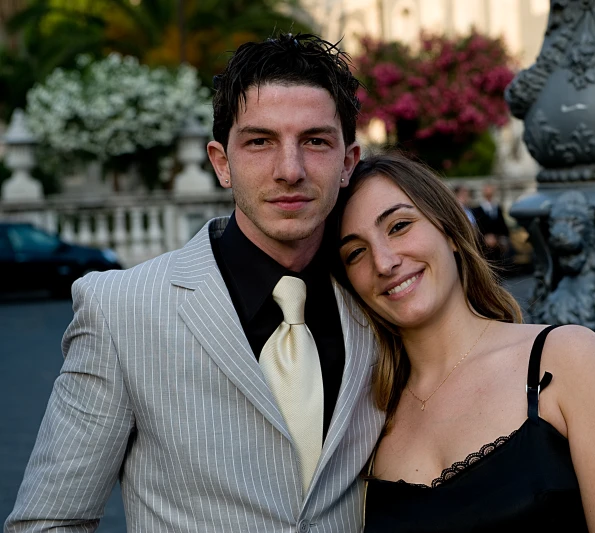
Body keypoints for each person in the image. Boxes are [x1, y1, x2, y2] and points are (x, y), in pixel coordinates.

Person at [5, 34, 384, 532]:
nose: (289, 170)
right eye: (259, 141)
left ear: (348, 163)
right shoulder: (122, 310)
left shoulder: (381, 303)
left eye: (314, 141)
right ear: (221, 163)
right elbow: (48, 522)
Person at [333, 152, 595, 532]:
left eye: (399, 226)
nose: (384, 262)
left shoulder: (568, 360)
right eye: (356, 252)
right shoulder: (365, 417)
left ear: (450, 231)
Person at [471, 183, 511, 269]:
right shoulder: (477, 210)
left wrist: (500, 237)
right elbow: (477, 226)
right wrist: (485, 237)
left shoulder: (497, 208)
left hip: (498, 241)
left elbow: (503, 226)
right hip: (484, 242)